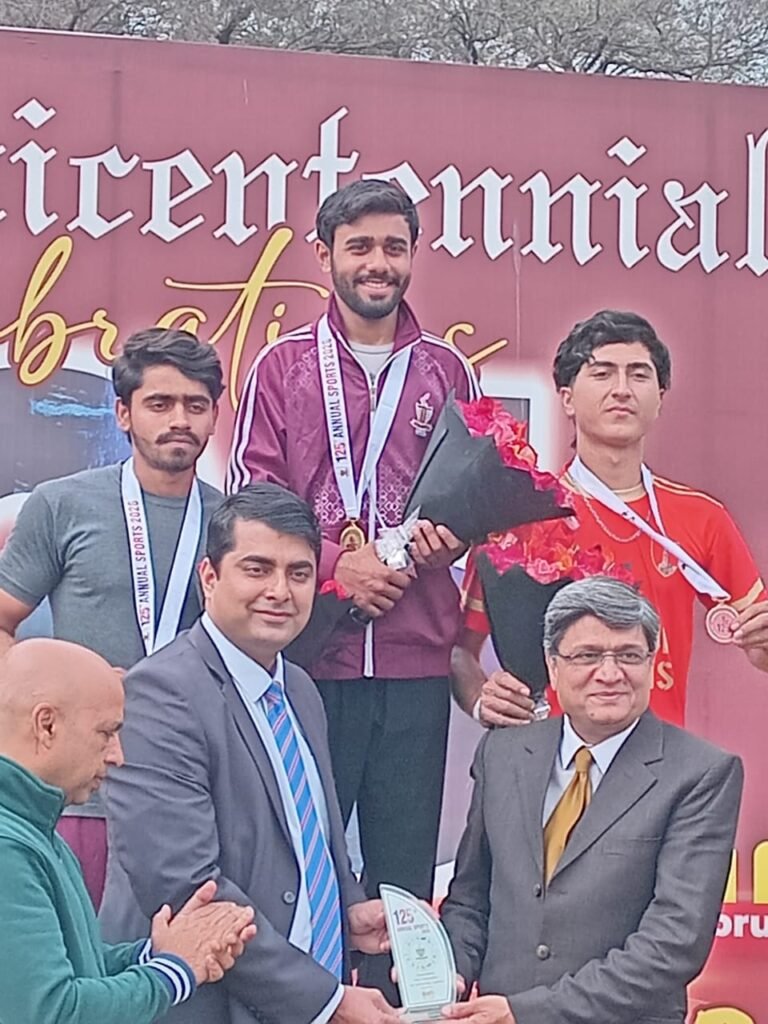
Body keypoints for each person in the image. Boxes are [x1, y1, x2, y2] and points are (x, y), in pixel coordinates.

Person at [226, 179, 480, 995]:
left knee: (404, 875)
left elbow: (476, 494)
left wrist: (451, 535)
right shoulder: (282, 367)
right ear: (324, 254)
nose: (378, 263)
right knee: (301, 866)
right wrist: (340, 564)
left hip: (414, 662)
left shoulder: (447, 372)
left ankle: (406, 1006)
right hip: (310, 658)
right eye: (360, 246)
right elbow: (252, 499)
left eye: (393, 247)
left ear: (413, 256)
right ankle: (302, 1004)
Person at [100, 483, 401, 1024]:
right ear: (209, 578)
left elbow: (312, 838)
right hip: (204, 1005)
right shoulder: (159, 695)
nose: (279, 591)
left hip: (295, 994)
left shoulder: (300, 690)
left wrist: (346, 909)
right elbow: (188, 886)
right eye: (257, 569)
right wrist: (325, 1001)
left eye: (299, 573)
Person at [439, 577, 743, 1024]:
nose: (610, 673)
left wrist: (528, 1012)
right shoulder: (502, 754)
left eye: (629, 655)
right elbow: (469, 899)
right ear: (553, 665)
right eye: (587, 655)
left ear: (651, 663)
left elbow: (674, 943)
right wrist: (448, 972)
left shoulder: (700, 773)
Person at [453, 309, 768, 729]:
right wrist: (481, 699)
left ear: (660, 397)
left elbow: (758, 637)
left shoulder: (702, 518)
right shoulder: (521, 517)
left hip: (659, 755)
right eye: (602, 374)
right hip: (549, 751)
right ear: (566, 398)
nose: (622, 389)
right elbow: (460, 650)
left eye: (638, 375)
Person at [0, 327, 224, 904]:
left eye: (195, 405)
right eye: (160, 403)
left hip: (198, 795)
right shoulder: (63, 504)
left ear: (214, 417)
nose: (179, 420)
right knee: (81, 949)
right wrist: (57, 691)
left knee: (188, 949)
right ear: (123, 414)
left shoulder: (235, 525)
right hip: (84, 796)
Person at [0, 638, 256, 1024]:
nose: (118, 755)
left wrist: (155, 954)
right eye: (106, 733)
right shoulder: (9, 849)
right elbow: (52, 1012)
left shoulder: (36, 831)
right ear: (46, 725)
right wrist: (174, 972)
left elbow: (76, 967)